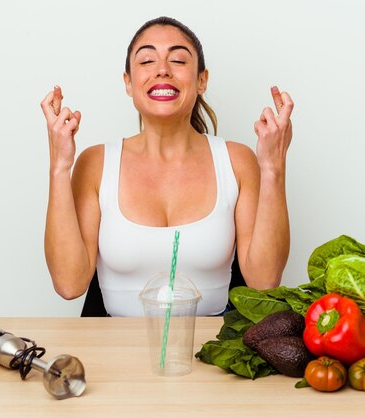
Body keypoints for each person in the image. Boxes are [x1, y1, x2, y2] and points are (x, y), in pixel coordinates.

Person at [40, 16, 294, 316]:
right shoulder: (95, 163)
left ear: (202, 80)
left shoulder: (236, 160)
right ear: (128, 83)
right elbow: (69, 284)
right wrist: (59, 166)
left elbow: (264, 281)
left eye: (177, 60)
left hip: (210, 353)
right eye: (147, 60)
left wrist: (273, 167)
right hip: (113, 351)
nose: (162, 69)